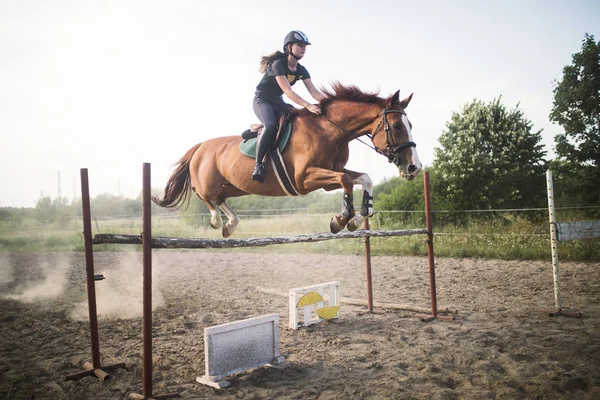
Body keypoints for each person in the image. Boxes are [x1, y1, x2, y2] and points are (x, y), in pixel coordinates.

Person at [251, 30, 327, 183]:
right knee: (271, 125)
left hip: (277, 102)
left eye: (305, 46)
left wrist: (331, 103)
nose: (303, 49)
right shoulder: (278, 64)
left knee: (299, 118)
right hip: (262, 100)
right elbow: (288, 91)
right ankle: (258, 165)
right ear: (288, 47)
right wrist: (307, 105)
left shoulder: (301, 70)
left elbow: (314, 92)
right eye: (300, 45)